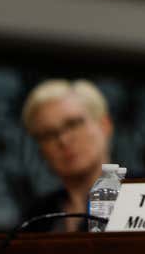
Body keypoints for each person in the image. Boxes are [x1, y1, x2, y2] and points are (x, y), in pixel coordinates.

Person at [21, 79, 113, 232]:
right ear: (40, 149)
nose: (63, 140)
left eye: (73, 124)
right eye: (48, 134)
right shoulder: (35, 218)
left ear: (105, 124)